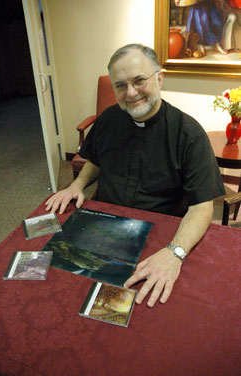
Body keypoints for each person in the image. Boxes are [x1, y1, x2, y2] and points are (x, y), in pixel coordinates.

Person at [45, 43, 225, 307]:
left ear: (159, 78)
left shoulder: (189, 134)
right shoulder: (108, 119)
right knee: (61, 293)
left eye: (139, 80)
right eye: (120, 85)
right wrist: (78, 184)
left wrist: (175, 252)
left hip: (162, 237)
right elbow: (95, 158)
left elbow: (201, 208)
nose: (131, 93)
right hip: (103, 226)